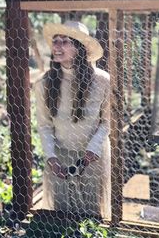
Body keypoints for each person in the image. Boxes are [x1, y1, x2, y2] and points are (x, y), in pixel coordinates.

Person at [34, 20, 111, 220]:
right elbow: (44, 125)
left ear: (80, 48)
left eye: (65, 42)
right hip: (60, 157)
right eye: (55, 41)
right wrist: (51, 157)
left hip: (92, 156)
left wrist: (92, 150)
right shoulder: (43, 83)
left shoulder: (102, 81)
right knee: (63, 214)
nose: (57, 46)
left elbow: (107, 122)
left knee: (90, 215)